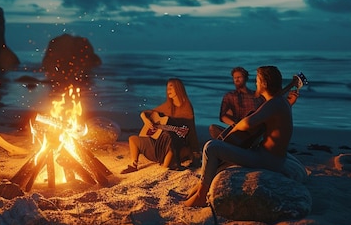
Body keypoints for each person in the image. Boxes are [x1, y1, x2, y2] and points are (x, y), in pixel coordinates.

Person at [184, 66, 297, 207]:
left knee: (211, 147)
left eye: (257, 80)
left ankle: (201, 196)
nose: (255, 83)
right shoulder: (279, 102)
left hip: (267, 160)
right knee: (224, 157)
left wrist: (236, 127)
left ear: (264, 84)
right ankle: (199, 187)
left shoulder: (274, 103)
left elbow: (248, 123)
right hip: (271, 157)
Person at [121, 78, 200, 173]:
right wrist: (145, 120)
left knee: (170, 137)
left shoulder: (186, 107)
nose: (168, 90)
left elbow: (192, 132)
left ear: (178, 88)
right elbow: (146, 113)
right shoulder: (167, 106)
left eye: (171, 87)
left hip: (174, 147)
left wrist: (195, 152)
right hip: (159, 145)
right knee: (133, 139)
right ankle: (134, 165)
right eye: (167, 88)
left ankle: (171, 161)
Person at [209, 66, 264, 139]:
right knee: (213, 128)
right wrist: (235, 125)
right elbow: (223, 116)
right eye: (235, 78)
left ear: (245, 78)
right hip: (237, 129)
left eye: (239, 77)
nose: (236, 79)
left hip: (253, 129)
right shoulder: (230, 96)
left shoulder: (256, 96)